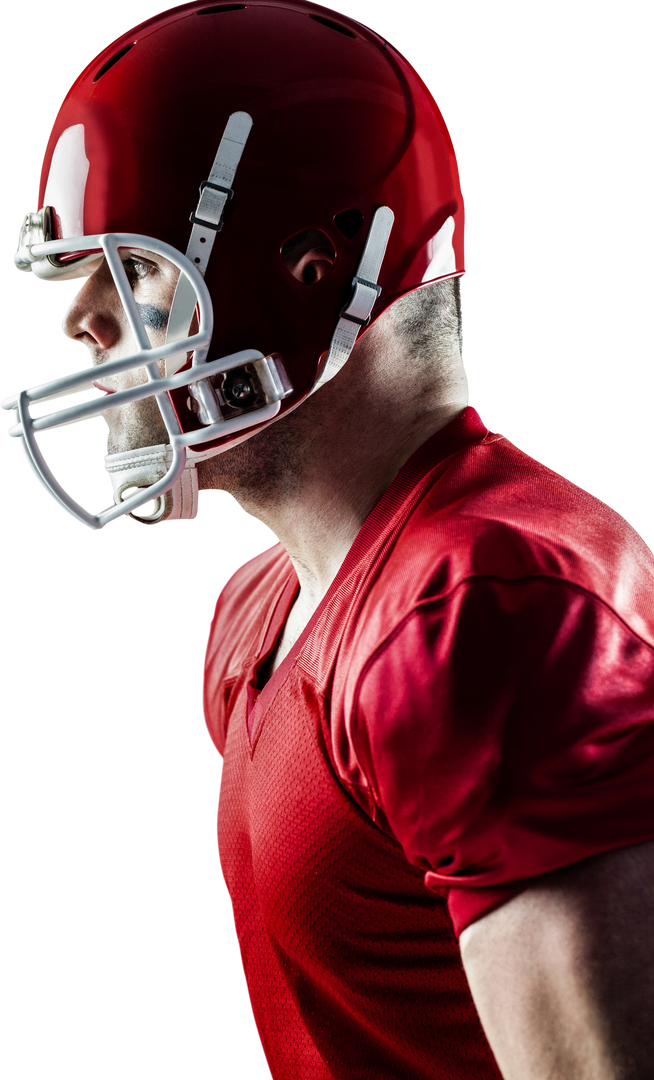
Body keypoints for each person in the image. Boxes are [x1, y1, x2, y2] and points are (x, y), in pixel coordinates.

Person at [3, 2, 653, 1077]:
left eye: (137, 272)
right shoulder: (258, 609)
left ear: (308, 267)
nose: (82, 323)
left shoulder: (478, 611)